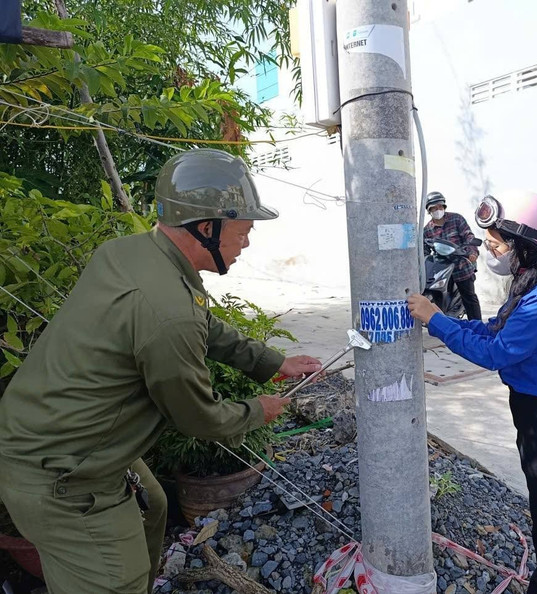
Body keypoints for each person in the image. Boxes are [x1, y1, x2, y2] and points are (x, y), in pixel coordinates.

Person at [0, 149, 323, 594]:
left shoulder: (133, 254)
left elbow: (202, 323)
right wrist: (257, 410)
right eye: (244, 230)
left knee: (152, 506)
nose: (247, 243)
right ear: (207, 227)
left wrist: (272, 363)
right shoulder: (166, 311)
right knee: (118, 580)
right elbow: (198, 417)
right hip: (61, 476)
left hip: (52, 436)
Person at [409, 190, 537, 594]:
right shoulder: (532, 282)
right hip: (536, 422)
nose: (489, 251)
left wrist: (438, 322)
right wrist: (441, 318)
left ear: (524, 246)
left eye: (495, 244)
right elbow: (494, 329)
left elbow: (498, 352)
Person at [423, 191, 482, 320]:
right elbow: (425, 251)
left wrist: (472, 252)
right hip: (441, 269)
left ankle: (478, 327)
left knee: (469, 297)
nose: (437, 210)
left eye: (440, 207)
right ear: (429, 210)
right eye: (434, 208)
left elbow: (468, 236)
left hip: (461, 265)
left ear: (444, 207)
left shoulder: (456, 219)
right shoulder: (427, 230)